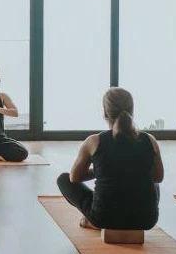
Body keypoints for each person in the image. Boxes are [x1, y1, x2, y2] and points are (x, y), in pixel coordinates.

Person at [56, 87, 162, 231]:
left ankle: (91, 221)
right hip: (146, 220)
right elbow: (158, 177)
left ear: (105, 113)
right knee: (153, 183)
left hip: (104, 218)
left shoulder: (94, 141)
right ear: (132, 112)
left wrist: (101, 170)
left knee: (63, 179)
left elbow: (74, 178)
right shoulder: (150, 140)